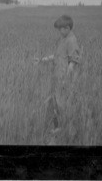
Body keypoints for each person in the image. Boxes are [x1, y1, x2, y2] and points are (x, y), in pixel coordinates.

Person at [34, 15, 81, 144]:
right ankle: (56, 130)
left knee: (62, 107)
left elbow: (73, 62)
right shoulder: (63, 39)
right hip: (57, 80)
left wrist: (66, 80)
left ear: (67, 28)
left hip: (64, 82)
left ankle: (61, 135)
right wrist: (42, 60)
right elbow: (56, 56)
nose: (59, 32)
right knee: (54, 106)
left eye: (61, 29)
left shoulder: (72, 40)